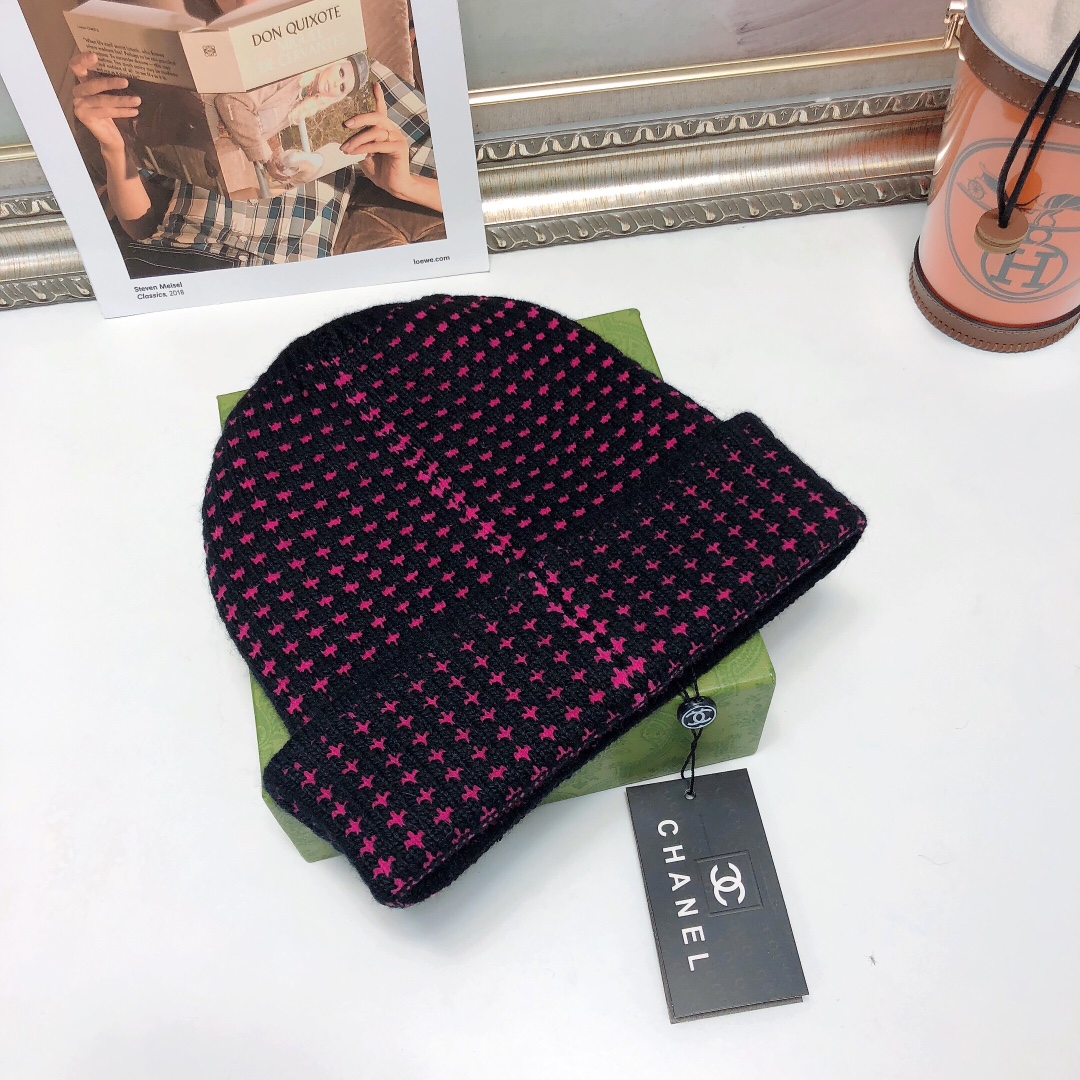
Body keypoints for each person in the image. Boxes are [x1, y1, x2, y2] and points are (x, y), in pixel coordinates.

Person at [69, 49, 442, 269]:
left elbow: (477, 194)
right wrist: (113, 148)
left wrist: (405, 185)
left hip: (280, 278)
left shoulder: (355, 78)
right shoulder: (189, 68)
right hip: (177, 261)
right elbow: (142, 228)